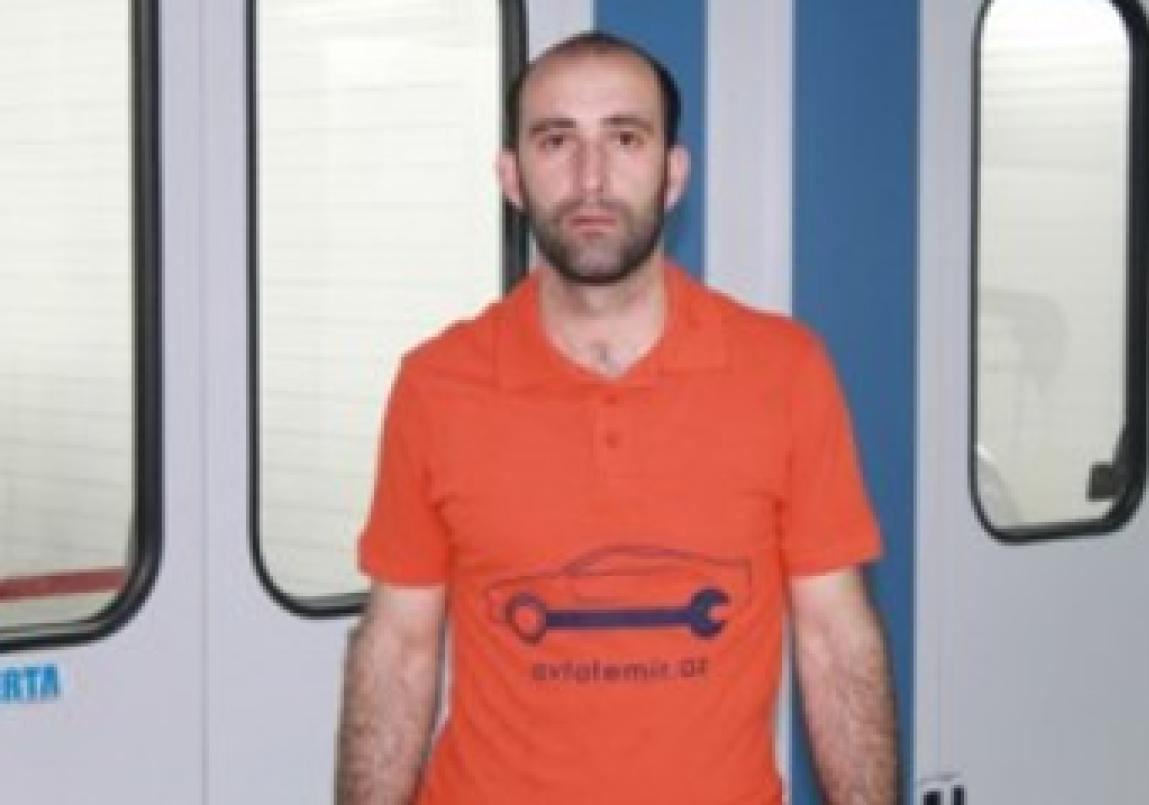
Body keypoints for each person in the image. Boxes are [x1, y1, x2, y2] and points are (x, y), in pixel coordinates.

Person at [335, 31, 898, 805]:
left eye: (625, 138)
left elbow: (836, 641)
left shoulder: (785, 372)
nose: (591, 178)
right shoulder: (436, 385)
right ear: (512, 175)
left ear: (674, 173)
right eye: (556, 140)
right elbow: (398, 649)